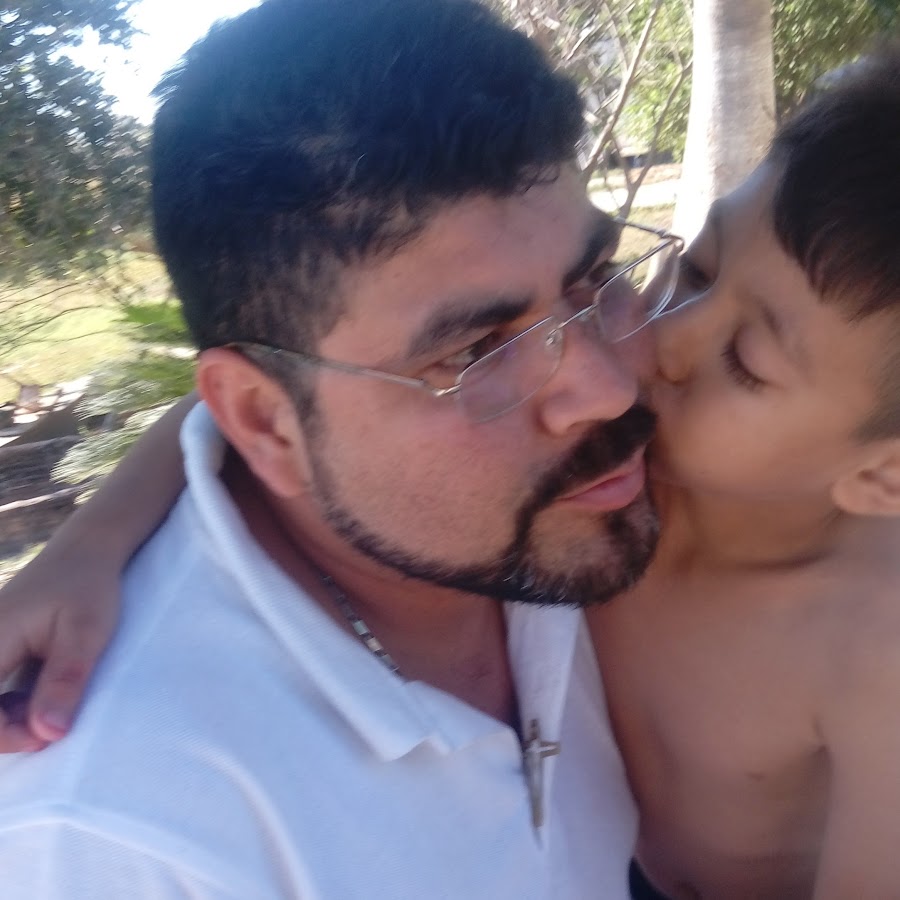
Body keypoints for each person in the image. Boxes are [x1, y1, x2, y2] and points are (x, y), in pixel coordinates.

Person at [0, 0, 683, 896]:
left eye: (595, 277)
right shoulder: (123, 837)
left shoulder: (597, 511)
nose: (608, 388)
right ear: (265, 422)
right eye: (475, 352)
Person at [591, 48, 900, 899]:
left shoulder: (873, 641)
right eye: (696, 269)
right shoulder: (600, 479)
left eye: (746, 360)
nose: (663, 335)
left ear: (884, 476)